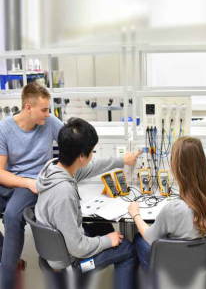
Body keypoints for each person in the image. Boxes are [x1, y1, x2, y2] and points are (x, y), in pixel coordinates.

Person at [35, 117, 141, 289]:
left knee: (105, 227)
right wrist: (107, 241)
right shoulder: (64, 193)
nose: (92, 156)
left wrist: (122, 161)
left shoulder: (54, 168)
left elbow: (93, 167)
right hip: (73, 265)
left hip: (60, 247)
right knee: (128, 250)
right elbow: (78, 247)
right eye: (91, 152)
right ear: (81, 157)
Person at [128, 136, 206, 272]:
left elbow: (150, 237)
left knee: (138, 238)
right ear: (203, 162)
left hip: (172, 267)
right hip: (201, 263)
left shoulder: (175, 209)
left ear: (176, 167)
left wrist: (135, 214)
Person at [0, 83, 63, 289]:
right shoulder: (4, 128)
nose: (48, 114)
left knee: (11, 216)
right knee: (10, 216)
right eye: (44, 110)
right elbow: (1, 173)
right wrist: (26, 181)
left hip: (31, 187)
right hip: (14, 180)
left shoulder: (50, 122)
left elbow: (72, 143)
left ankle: (8, 280)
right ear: (28, 107)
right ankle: (6, 255)